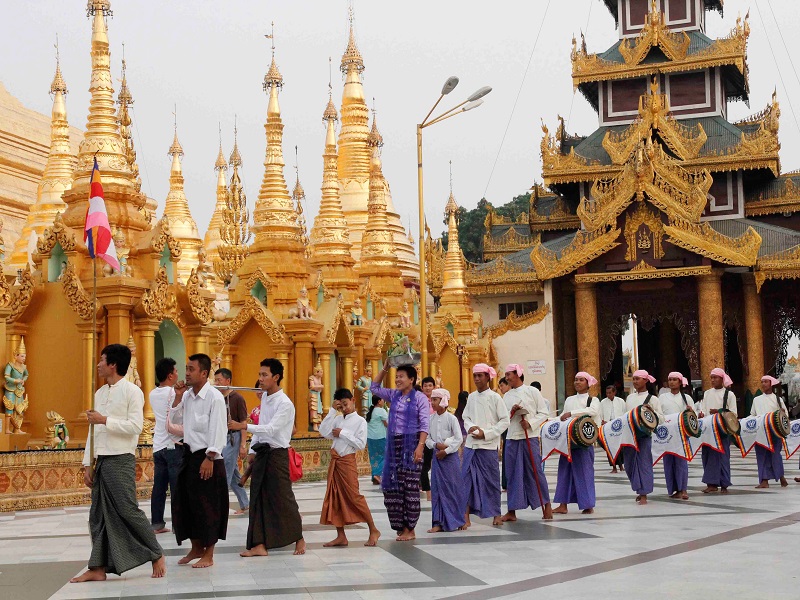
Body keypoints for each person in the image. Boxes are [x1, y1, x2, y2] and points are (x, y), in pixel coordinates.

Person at [71, 344, 165, 583]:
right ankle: (98, 567)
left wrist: (105, 420)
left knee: (127, 509)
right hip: (101, 459)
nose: (99, 364)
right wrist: (87, 464)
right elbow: (93, 432)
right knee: (97, 515)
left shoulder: (133, 392)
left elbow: (135, 426)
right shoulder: (100, 393)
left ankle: (156, 553)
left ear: (113, 364)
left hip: (121, 458)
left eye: (102, 360)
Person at [228, 358, 305, 556]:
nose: (260, 379)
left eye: (264, 375)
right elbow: (261, 429)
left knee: (282, 498)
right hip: (262, 454)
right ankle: (259, 545)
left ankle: (299, 537)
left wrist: (242, 425)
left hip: (278, 455)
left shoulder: (284, 403)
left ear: (276, 377)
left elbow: (271, 429)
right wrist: (252, 450)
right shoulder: (265, 398)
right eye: (259, 374)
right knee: (258, 500)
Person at [172, 354, 228, 568]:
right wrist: (177, 397)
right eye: (186, 368)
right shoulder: (187, 396)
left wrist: (210, 457)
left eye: (191, 369)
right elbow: (176, 421)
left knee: (209, 506)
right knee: (185, 504)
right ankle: (196, 547)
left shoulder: (214, 397)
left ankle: (209, 554)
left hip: (208, 457)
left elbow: (218, 430)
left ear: (204, 373)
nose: (186, 373)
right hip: (189, 456)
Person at [371, 362, 429, 541]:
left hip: (412, 444)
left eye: (401, 376)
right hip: (394, 445)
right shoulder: (393, 395)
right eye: (396, 376)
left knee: (409, 486)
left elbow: (425, 424)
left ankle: (410, 529)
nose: (397, 380)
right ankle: (400, 525)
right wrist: (386, 368)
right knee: (393, 487)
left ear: (411, 379)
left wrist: (420, 446)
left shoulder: (420, 398)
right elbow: (374, 387)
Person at [319, 388, 381, 546]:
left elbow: (360, 444)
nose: (344, 408)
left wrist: (343, 433)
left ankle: (373, 529)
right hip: (335, 462)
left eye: (346, 404)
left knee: (354, 496)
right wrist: (333, 410)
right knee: (335, 496)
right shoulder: (338, 419)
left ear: (353, 400)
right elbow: (324, 431)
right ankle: (341, 535)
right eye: (341, 406)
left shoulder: (360, 421)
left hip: (347, 461)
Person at [501, 364, 552, 522]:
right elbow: (502, 419)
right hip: (512, 438)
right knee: (512, 474)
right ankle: (512, 510)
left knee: (535, 471)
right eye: (506, 375)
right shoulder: (506, 396)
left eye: (509, 374)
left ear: (517, 374)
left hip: (529, 437)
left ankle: (547, 505)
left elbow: (544, 413)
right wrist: (512, 413)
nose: (507, 378)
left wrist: (530, 423)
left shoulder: (532, 391)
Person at [462, 364, 509, 527]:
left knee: (491, 481)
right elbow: (465, 417)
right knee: (466, 480)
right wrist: (470, 428)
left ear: (488, 377)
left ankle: (496, 513)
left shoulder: (496, 398)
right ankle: (465, 515)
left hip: (488, 446)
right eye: (474, 375)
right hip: (471, 446)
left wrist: (486, 433)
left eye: (480, 376)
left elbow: (505, 421)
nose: (476, 379)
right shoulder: (472, 397)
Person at [553, 372, 600, 515]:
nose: (577, 382)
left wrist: (571, 413)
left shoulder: (593, 400)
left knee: (584, 472)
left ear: (587, 383)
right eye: (575, 380)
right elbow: (564, 415)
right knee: (564, 472)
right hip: (567, 442)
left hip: (584, 442)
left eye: (581, 380)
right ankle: (562, 505)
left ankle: (587, 505)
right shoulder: (569, 399)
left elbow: (592, 412)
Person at [426, 388, 465, 532]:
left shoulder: (451, 418)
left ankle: (458, 520)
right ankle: (437, 522)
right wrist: (436, 445)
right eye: (432, 400)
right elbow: (427, 438)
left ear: (442, 401)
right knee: (437, 489)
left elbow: (459, 438)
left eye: (435, 400)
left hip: (450, 458)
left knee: (453, 488)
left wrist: (446, 450)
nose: (433, 403)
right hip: (437, 457)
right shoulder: (431, 419)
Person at [150, 358, 181, 534]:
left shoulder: (153, 393)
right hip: (172, 444)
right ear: (170, 375)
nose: (178, 374)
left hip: (158, 445)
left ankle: (157, 523)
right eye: (176, 371)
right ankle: (178, 524)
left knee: (159, 487)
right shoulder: (173, 393)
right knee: (176, 488)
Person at [623, 369, 663, 505]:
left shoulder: (653, 399)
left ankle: (644, 493)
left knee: (643, 463)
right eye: (633, 379)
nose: (635, 382)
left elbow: (661, 418)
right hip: (629, 435)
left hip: (644, 436)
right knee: (629, 464)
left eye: (637, 379)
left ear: (646, 381)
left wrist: (652, 412)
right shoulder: (629, 398)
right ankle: (639, 488)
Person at [213, 368, 249, 515]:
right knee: (233, 475)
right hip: (221, 438)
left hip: (233, 438)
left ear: (227, 381)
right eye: (215, 380)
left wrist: (243, 445)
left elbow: (243, 422)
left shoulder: (237, 398)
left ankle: (219, 507)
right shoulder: (217, 398)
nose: (216, 383)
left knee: (224, 472)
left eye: (219, 380)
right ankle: (245, 504)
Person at [698, 368, 737, 494]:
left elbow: (734, 414)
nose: (713, 380)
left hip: (722, 430)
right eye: (712, 378)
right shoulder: (707, 393)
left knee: (723, 456)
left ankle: (724, 484)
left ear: (722, 379)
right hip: (708, 430)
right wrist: (702, 414)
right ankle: (711, 484)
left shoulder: (729, 395)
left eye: (716, 377)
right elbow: (703, 408)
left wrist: (719, 412)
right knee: (708, 455)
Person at [659, 372, 693, 500]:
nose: (672, 382)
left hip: (681, 433)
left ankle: (683, 489)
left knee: (681, 461)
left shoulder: (686, 398)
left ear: (680, 382)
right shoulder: (662, 397)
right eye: (670, 380)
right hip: (667, 434)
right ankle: (673, 489)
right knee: (668, 462)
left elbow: (692, 417)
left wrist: (691, 411)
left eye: (674, 380)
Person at [752, 375, 789, 489]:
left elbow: (785, 416)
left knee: (775, 455)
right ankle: (764, 480)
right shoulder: (756, 400)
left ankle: (781, 476)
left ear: (771, 383)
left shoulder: (778, 399)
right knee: (762, 455)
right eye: (762, 382)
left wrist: (781, 412)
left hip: (774, 432)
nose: (763, 384)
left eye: (766, 382)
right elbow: (753, 414)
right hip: (761, 432)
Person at [599, 384, 625, 473]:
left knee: (619, 447)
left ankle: (621, 465)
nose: (608, 395)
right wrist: (602, 422)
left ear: (614, 392)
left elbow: (624, 413)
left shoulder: (620, 401)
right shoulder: (602, 402)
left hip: (618, 426)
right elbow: (600, 415)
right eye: (607, 393)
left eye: (610, 393)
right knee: (609, 447)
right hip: (608, 427)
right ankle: (614, 467)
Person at [420, 376, 437, 501]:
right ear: (422, 388)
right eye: (425, 385)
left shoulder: (438, 400)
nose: (428, 388)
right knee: (424, 465)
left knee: (435, 464)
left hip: (436, 435)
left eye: (430, 385)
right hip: (423, 436)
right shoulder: (419, 401)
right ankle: (428, 492)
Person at [366, 396, 389, 485]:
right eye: (383, 399)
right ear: (379, 401)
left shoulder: (371, 411)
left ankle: (374, 476)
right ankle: (377, 474)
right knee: (385, 456)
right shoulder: (381, 411)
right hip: (380, 437)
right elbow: (386, 423)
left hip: (371, 437)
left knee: (374, 457)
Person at [497, 376, 510, 491]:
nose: (500, 388)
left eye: (502, 385)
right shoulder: (503, 398)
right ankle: (506, 483)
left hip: (511, 428)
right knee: (506, 455)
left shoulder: (507, 398)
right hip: (506, 429)